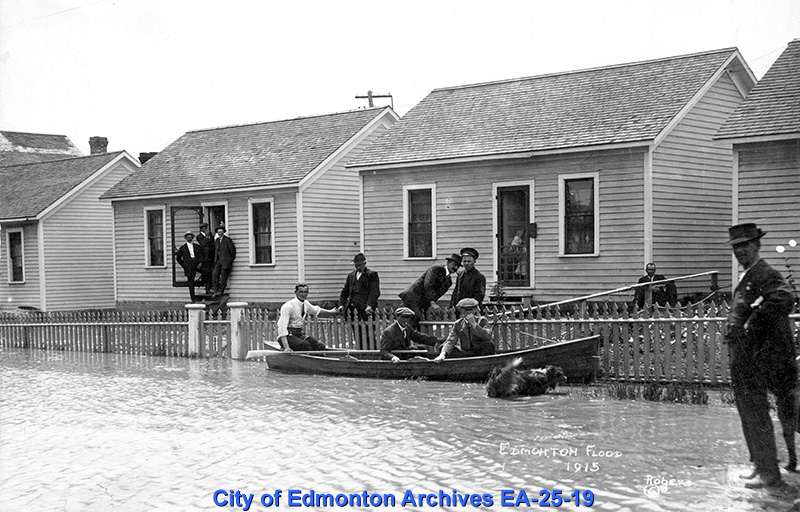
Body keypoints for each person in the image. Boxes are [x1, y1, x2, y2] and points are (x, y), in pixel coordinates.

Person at [725, 222, 797, 489]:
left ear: (757, 245)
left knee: (757, 414)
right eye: (736, 247)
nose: (740, 251)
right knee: (750, 415)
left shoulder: (765, 273)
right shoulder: (749, 276)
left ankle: (769, 475)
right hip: (746, 359)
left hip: (759, 358)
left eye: (745, 245)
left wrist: (751, 323)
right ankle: (760, 466)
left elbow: (784, 298)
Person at [398, 253, 462, 330]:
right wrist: (432, 303)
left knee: (421, 319)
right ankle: (406, 335)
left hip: (422, 302)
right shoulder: (435, 269)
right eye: (454, 264)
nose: (456, 267)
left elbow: (437, 295)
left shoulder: (448, 282)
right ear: (448, 262)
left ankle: (410, 335)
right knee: (416, 316)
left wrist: (430, 304)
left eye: (458, 266)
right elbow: (428, 285)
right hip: (412, 296)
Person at [277, 283, 339, 351]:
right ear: (295, 292)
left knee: (320, 346)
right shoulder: (288, 306)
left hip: (299, 334)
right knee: (305, 345)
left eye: (305, 292)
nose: (303, 294)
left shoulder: (305, 304)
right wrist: (286, 347)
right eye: (301, 292)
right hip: (287, 336)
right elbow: (282, 328)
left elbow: (316, 310)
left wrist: (330, 312)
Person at [339, 253, 381, 320]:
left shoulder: (372, 275)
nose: (358, 267)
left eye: (360, 265)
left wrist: (370, 305)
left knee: (367, 326)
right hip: (352, 310)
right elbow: (344, 292)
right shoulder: (351, 276)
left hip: (366, 310)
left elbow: (375, 292)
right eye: (356, 265)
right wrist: (342, 304)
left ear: (365, 263)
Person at [175, 231, 201, 302]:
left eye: (190, 236)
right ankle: (193, 298)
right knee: (191, 282)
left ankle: (207, 289)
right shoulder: (183, 247)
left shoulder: (197, 246)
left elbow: (201, 255)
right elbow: (178, 258)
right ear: (186, 238)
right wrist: (184, 265)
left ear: (192, 237)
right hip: (188, 266)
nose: (189, 237)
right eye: (187, 236)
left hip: (196, 264)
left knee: (206, 272)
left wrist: (200, 263)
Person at [211, 225, 236, 298]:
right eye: (218, 232)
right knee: (215, 274)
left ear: (223, 232)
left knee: (223, 277)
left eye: (221, 232)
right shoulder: (217, 240)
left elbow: (232, 251)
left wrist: (229, 260)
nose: (220, 233)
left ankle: (221, 291)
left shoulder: (228, 240)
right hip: (218, 261)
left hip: (225, 261)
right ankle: (216, 291)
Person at [196, 223, 214, 295]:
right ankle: (207, 288)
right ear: (201, 229)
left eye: (206, 227)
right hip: (204, 258)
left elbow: (212, 243)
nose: (206, 229)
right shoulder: (199, 237)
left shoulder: (210, 235)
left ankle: (211, 286)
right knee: (206, 273)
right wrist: (207, 237)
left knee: (211, 272)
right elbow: (203, 244)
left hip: (211, 257)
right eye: (204, 228)